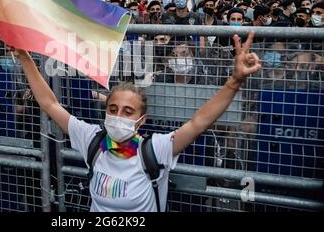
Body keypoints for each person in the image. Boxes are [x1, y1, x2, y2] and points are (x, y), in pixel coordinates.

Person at [14, 31, 261, 212]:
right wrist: (24, 57)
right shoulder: (92, 139)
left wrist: (234, 81)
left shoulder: (154, 149)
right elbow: (50, 104)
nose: (118, 115)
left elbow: (199, 122)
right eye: (113, 108)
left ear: (141, 120)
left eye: (128, 111)